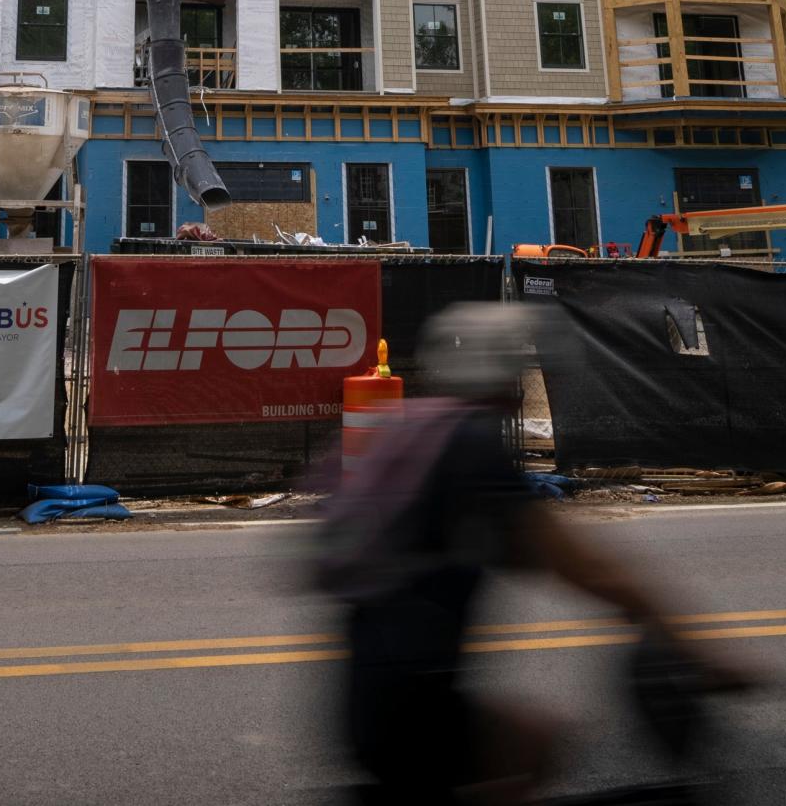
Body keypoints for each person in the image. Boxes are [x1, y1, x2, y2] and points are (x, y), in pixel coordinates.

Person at [314, 303, 745, 803]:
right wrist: (700, 649)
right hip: (411, 706)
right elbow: (589, 568)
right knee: (536, 741)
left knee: (525, 740)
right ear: (505, 378)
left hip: (374, 696)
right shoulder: (470, 447)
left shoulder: (417, 430)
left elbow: (515, 551)